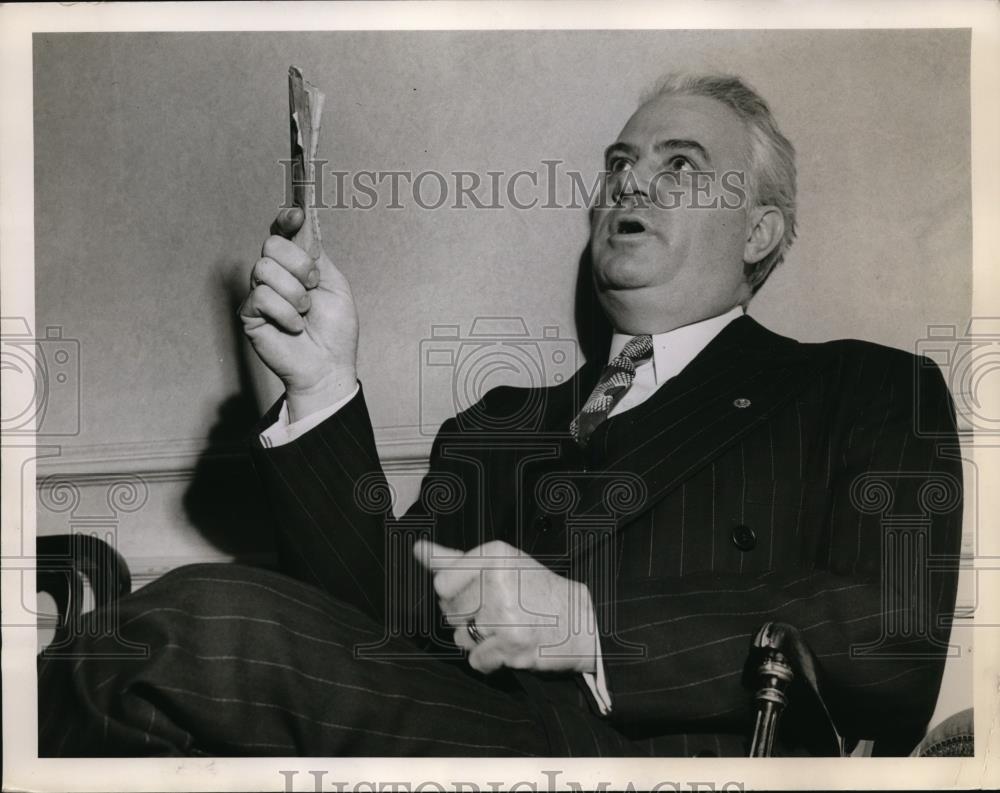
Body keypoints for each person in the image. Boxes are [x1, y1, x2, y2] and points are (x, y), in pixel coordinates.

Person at [38, 73, 962, 758]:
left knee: (196, 621)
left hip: (655, 762)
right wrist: (323, 387)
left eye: (680, 167)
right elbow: (376, 625)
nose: (631, 185)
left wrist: (587, 625)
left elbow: (891, 642)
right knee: (137, 658)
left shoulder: (868, 389)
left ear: (759, 231)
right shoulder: (499, 424)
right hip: (461, 728)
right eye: (619, 166)